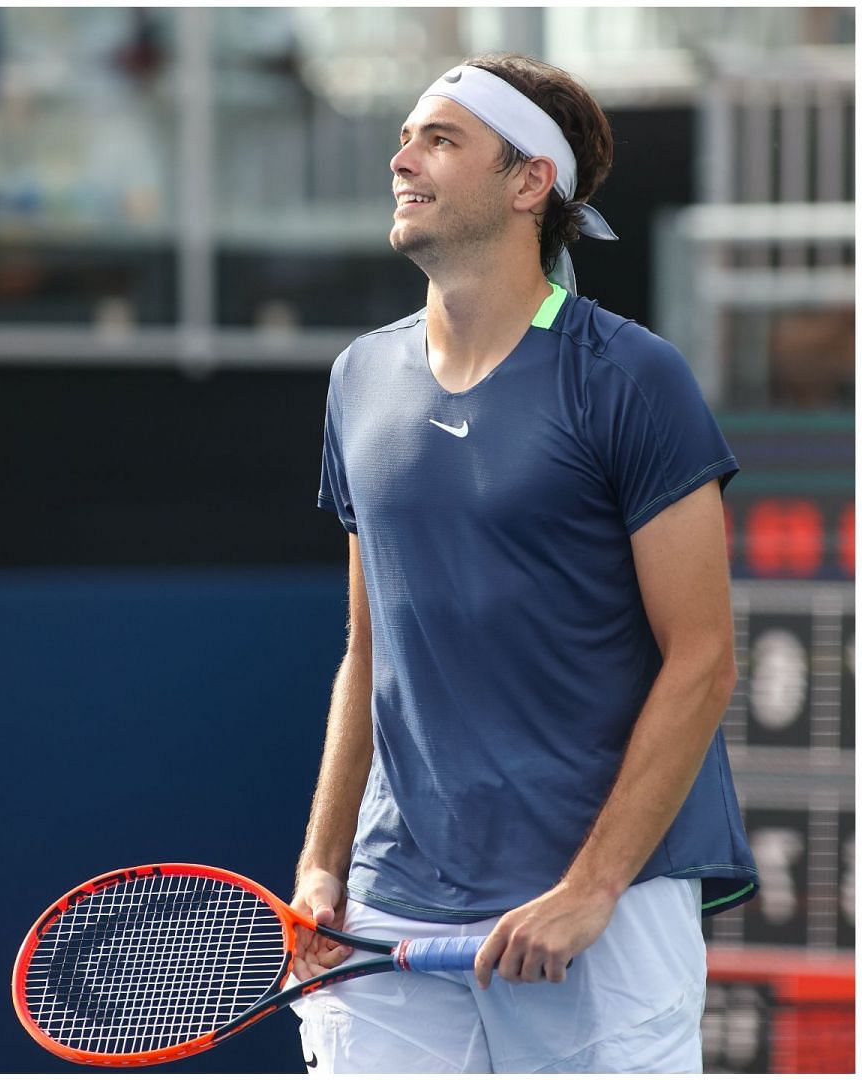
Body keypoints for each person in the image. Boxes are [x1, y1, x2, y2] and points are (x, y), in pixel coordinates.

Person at [292, 53, 757, 1073]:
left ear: (528, 182)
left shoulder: (632, 377)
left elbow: (704, 660)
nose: (400, 158)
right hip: (390, 898)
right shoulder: (359, 377)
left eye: (439, 139)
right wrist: (323, 865)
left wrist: (589, 890)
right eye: (409, 135)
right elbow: (369, 653)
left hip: (603, 907)